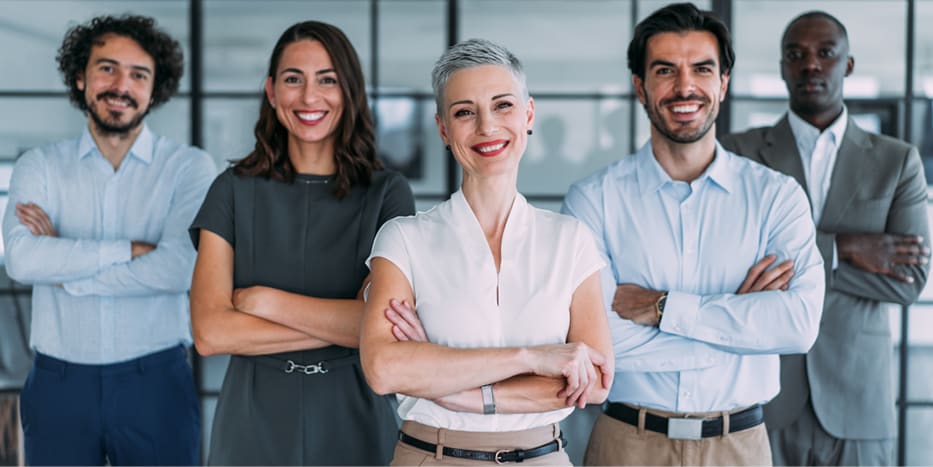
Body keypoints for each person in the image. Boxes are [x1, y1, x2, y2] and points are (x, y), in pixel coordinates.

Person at [562, 3, 826, 465]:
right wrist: (739, 326)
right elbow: (599, 343)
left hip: (739, 445)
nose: (685, 87)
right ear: (640, 87)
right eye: (665, 70)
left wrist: (662, 307)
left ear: (723, 83)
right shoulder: (593, 200)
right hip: (628, 443)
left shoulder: (776, 197)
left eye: (702, 69)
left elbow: (798, 325)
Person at [359, 38, 614, 466]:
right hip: (432, 456)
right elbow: (385, 369)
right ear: (443, 129)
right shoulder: (403, 239)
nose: (486, 127)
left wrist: (456, 389)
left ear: (528, 114)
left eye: (503, 106)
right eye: (464, 112)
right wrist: (532, 357)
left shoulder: (571, 240)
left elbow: (594, 382)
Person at [188, 20, 413, 465]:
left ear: (349, 91)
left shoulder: (387, 193)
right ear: (272, 91)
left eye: (327, 80)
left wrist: (265, 301)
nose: (309, 97)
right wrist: (347, 324)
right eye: (294, 79)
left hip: (355, 409)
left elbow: (385, 329)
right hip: (252, 415)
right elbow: (211, 333)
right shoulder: (231, 189)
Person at [1, 14, 213, 465]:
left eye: (139, 74)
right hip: (59, 385)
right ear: (80, 77)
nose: (122, 85)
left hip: (156, 382)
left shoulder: (189, 168)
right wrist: (127, 251)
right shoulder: (39, 165)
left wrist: (65, 268)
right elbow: (21, 260)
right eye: (107, 68)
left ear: (154, 90)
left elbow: (181, 269)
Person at [720, 11, 930, 466]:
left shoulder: (897, 162)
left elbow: (908, 280)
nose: (810, 65)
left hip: (860, 402)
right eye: (796, 55)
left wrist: (790, 268)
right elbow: (731, 266)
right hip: (763, 396)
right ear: (782, 68)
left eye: (825, 53)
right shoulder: (739, 153)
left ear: (847, 65)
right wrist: (845, 249)